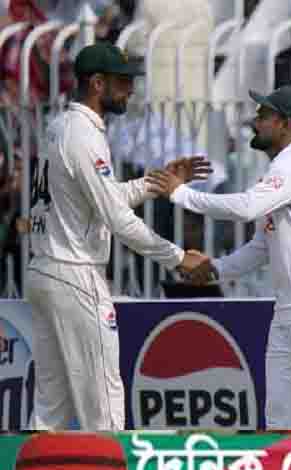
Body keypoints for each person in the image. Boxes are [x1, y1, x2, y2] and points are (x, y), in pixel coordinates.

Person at [148, 85, 291, 431]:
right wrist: (215, 269)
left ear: (286, 124)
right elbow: (261, 247)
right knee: (281, 422)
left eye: (264, 115)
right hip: (288, 311)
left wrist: (181, 195)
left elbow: (246, 207)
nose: (255, 121)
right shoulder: (278, 172)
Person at [26, 42, 208, 431]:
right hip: (75, 273)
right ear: (97, 83)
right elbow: (117, 219)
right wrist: (178, 258)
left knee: (51, 407)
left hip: (45, 270)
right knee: (104, 403)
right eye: (123, 82)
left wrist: (156, 182)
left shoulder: (60, 126)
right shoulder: (84, 135)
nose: (131, 90)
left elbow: (101, 199)